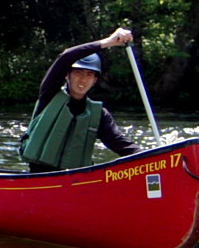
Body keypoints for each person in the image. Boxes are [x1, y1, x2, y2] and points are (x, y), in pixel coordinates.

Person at [19, 28, 142, 172]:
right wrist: (108, 42)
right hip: (40, 177)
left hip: (75, 181)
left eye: (89, 74)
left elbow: (122, 145)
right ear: (67, 75)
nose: (83, 79)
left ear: (95, 80)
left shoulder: (99, 115)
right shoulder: (49, 95)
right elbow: (65, 57)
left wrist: (156, 157)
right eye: (78, 72)